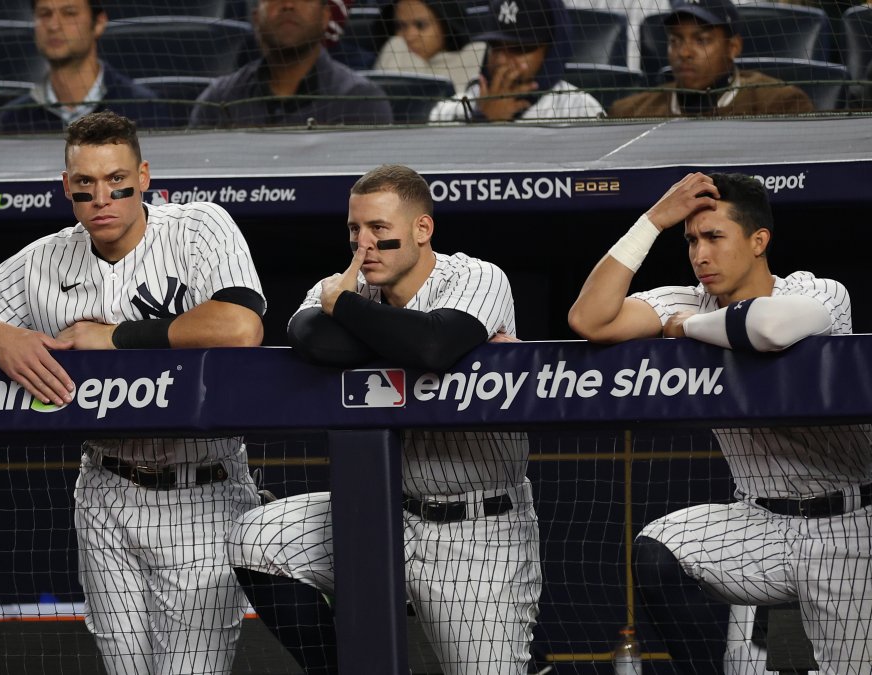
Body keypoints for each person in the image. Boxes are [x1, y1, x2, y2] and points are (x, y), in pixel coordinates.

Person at [0, 110, 267, 675]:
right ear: (67, 187)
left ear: (143, 176)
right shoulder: (47, 257)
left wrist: (113, 338)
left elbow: (241, 326)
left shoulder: (198, 228)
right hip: (105, 486)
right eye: (85, 185)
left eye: (116, 180)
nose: (102, 198)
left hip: (203, 486)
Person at [226, 164, 539, 675]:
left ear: (421, 229)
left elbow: (434, 344)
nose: (363, 245)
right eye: (354, 229)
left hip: (479, 532)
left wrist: (350, 312)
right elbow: (310, 335)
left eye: (379, 231)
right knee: (256, 538)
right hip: (382, 514)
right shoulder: (352, 285)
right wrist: (385, 330)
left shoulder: (476, 276)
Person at [567, 172, 870, 674]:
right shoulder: (686, 296)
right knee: (659, 549)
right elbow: (589, 319)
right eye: (690, 240)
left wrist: (685, 330)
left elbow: (767, 327)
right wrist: (652, 221)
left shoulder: (818, 293)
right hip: (758, 523)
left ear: (758, 241)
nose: (700, 254)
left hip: (850, 524)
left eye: (714, 237)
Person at [189, 0, 393, 128]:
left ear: (325, 17)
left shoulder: (361, 101)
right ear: (255, 18)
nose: (288, 4)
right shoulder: (218, 100)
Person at [609, 0, 814, 117]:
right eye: (675, 41)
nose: (684, 53)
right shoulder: (630, 113)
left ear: (733, 47)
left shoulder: (780, 104)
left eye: (701, 40)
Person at [0, 0, 173, 133]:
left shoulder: (144, 108)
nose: (53, 26)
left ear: (98, 23)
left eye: (69, 13)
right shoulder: (14, 117)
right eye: (45, 14)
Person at [429, 0, 603, 122]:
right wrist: (483, 121)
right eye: (496, 46)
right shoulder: (452, 109)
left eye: (519, 48)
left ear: (551, 50)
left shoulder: (581, 109)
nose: (502, 60)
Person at [373, 0, 485, 91]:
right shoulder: (396, 47)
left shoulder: (478, 54)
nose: (409, 37)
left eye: (421, 25)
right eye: (400, 26)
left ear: (445, 24)